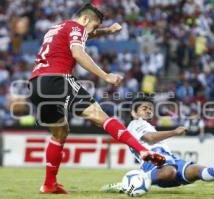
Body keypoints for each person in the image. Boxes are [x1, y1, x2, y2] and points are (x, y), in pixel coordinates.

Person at [28, 3, 165, 194]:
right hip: (57, 79)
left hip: (35, 84)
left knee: (60, 132)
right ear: (85, 19)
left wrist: (106, 31)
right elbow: (78, 51)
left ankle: (49, 184)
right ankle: (142, 150)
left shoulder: (57, 28)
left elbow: (86, 34)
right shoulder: (76, 28)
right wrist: (106, 76)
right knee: (101, 116)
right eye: (93, 26)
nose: (92, 31)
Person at [100, 96, 214, 193]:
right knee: (169, 172)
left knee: (195, 171)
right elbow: (150, 138)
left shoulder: (146, 124)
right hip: (152, 162)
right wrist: (175, 131)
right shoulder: (135, 124)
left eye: (150, 109)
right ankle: (134, 181)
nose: (148, 111)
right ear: (134, 113)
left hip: (170, 160)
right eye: (144, 108)